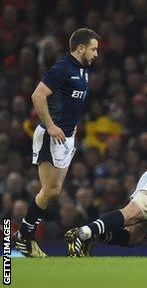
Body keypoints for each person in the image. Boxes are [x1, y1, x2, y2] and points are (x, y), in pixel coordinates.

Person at [15, 28, 101, 258]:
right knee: (50, 190)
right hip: (51, 136)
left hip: (67, 136)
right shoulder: (64, 67)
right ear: (80, 48)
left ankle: (25, 236)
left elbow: (69, 101)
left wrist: (71, 126)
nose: (96, 54)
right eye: (93, 49)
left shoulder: (83, 70)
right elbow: (37, 95)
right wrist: (52, 125)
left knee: (54, 192)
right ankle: (24, 237)